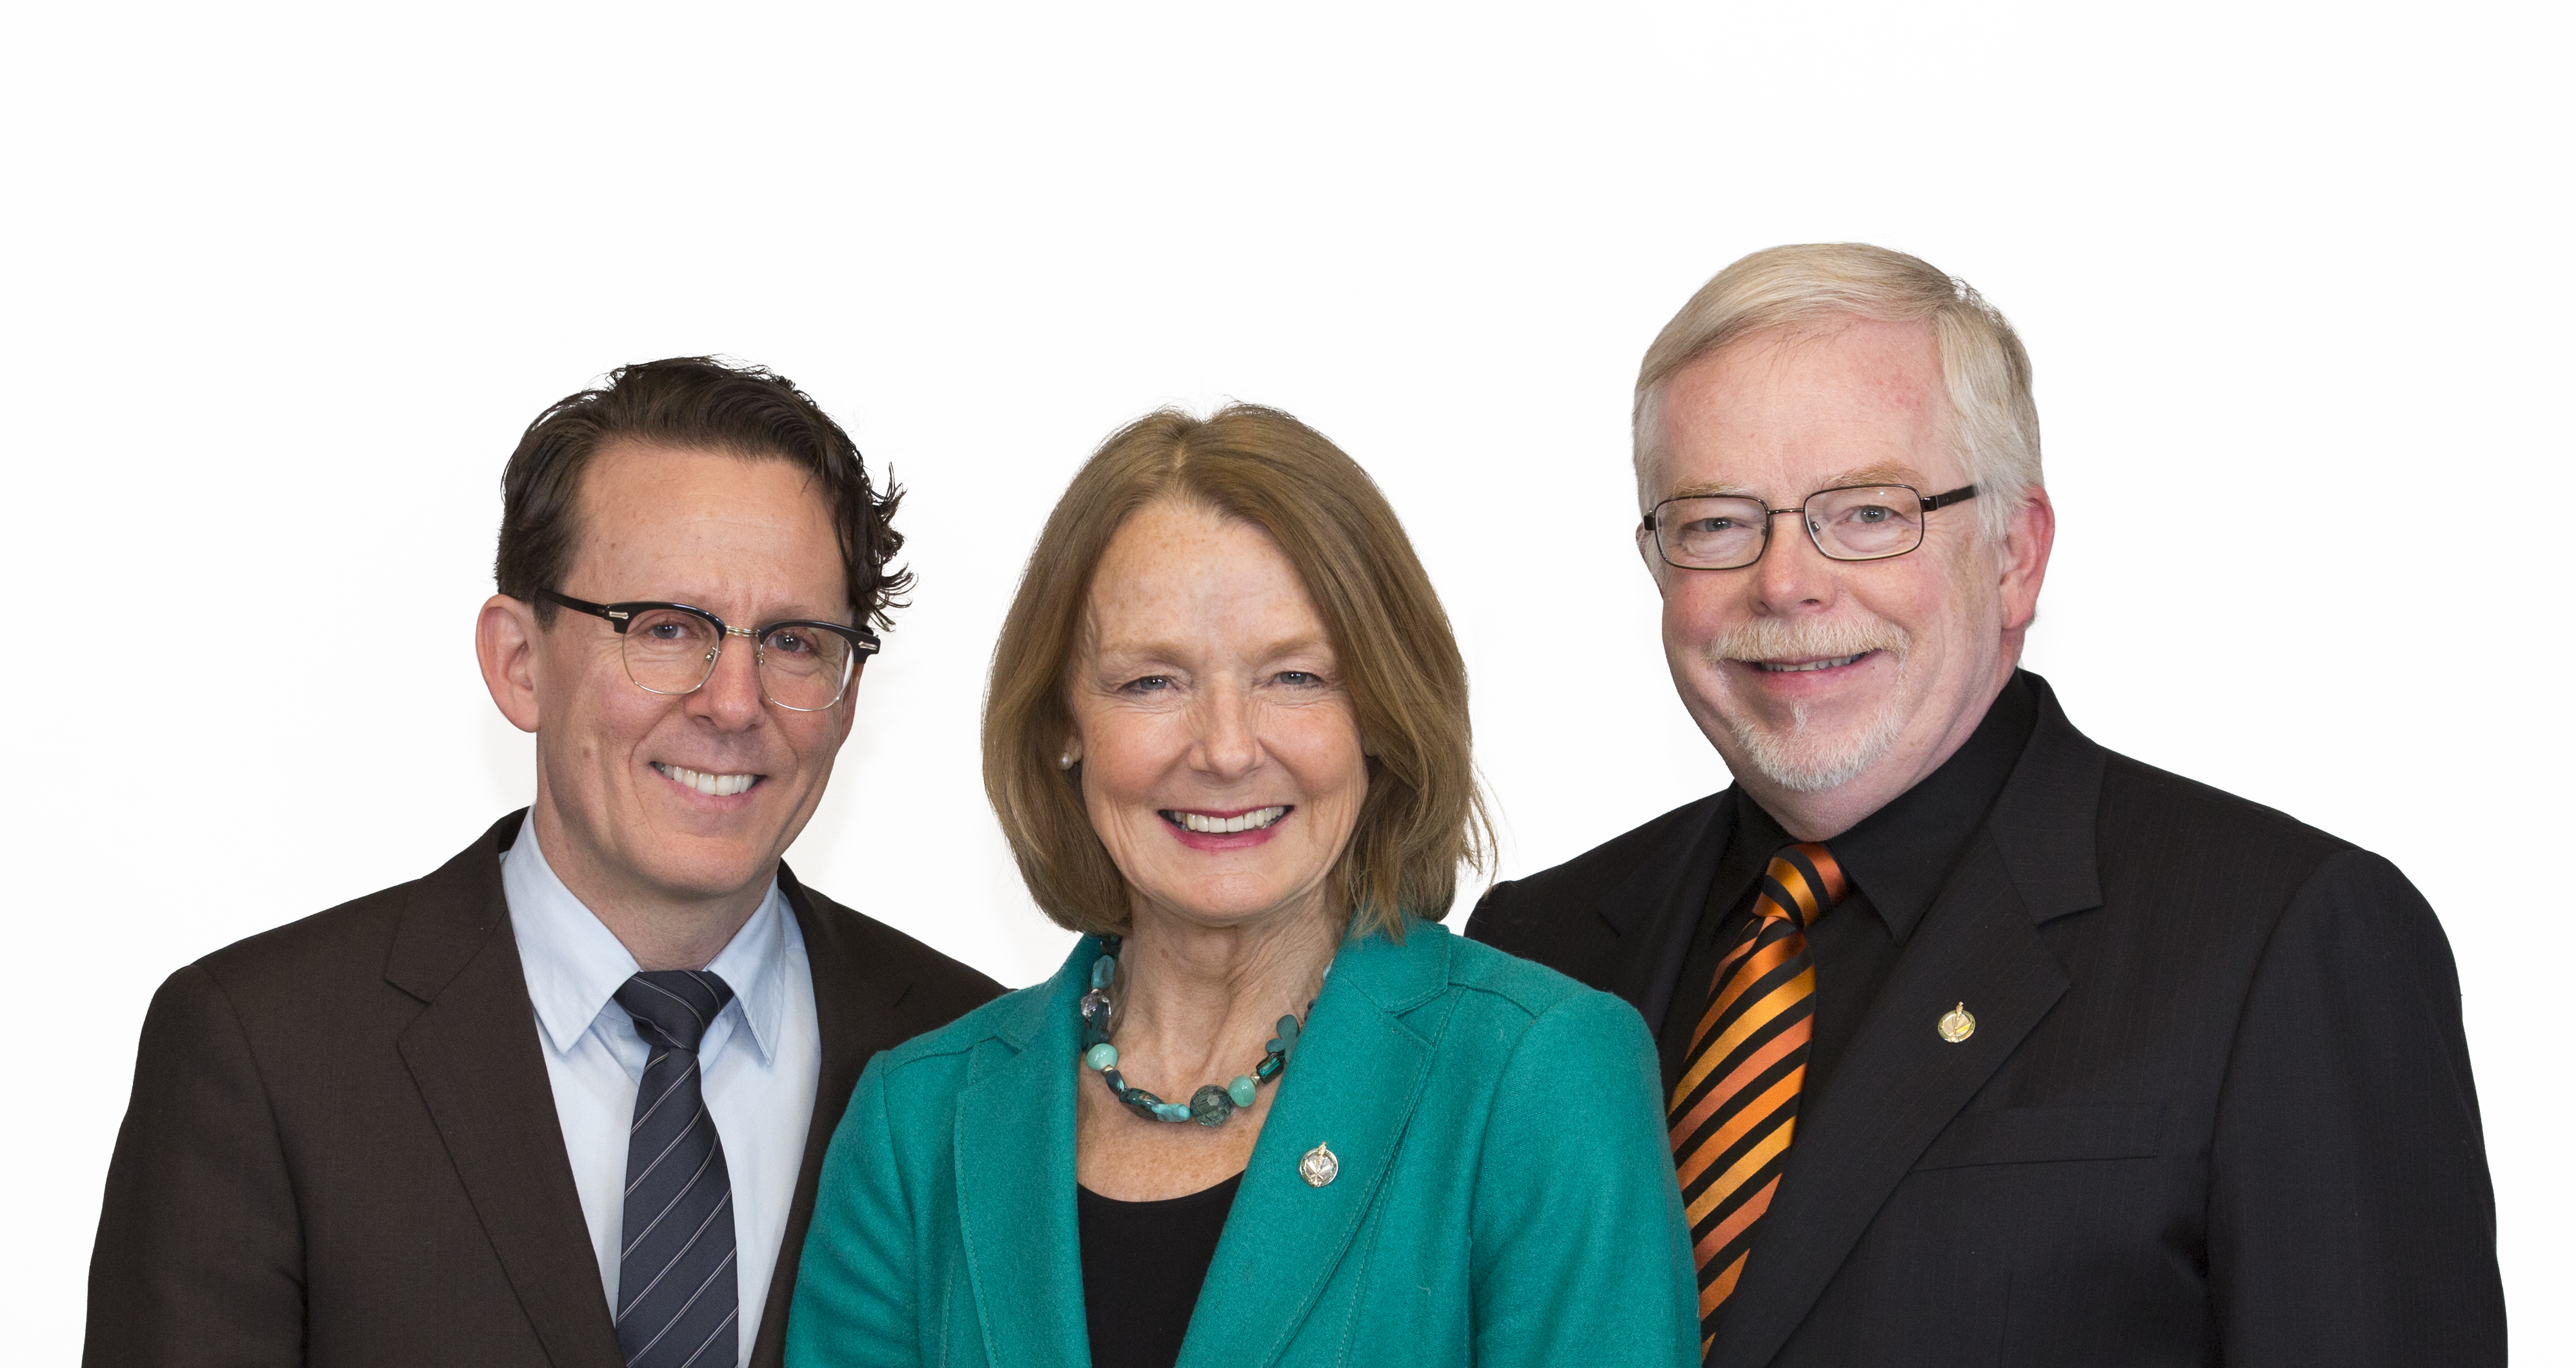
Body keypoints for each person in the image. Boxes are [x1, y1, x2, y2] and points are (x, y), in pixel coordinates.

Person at [1467, 244, 2508, 1366]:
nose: (1785, 582)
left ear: (2016, 555)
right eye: (1717, 523)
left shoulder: (2284, 938)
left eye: (1868, 512)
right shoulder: (1537, 951)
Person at [86, 357, 1003, 1368]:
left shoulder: (978, 1067)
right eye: (664, 628)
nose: (733, 703)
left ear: (849, 691)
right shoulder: (262, 1054)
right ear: (519, 663)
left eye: (793, 641)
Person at [786, 405, 1697, 1368]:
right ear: (1063, 723)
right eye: (1151, 683)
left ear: (1381, 716)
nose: (1225, 749)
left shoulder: (1537, 1075)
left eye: (1296, 678)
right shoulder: (916, 1123)